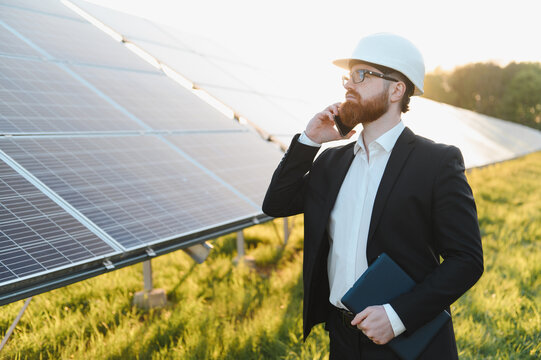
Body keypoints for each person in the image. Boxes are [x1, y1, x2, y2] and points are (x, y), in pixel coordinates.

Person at [262, 33, 483, 359]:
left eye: (362, 75)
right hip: (342, 334)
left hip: (406, 337)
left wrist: (397, 316)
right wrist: (309, 140)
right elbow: (276, 204)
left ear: (397, 89)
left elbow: (466, 260)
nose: (349, 85)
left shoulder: (436, 162)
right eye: (348, 77)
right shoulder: (331, 162)